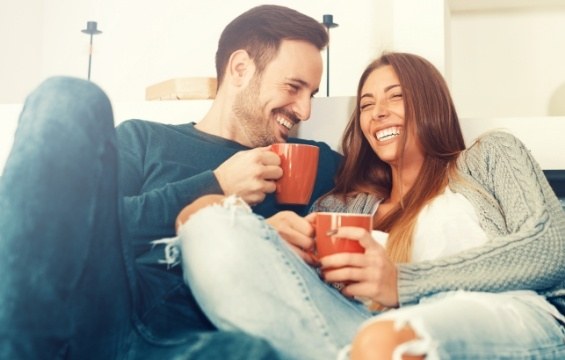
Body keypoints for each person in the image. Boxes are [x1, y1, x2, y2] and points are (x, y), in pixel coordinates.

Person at [172, 52, 565, 360]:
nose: (378, 112)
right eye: (366, 105)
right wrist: (275, 239)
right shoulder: (342, 206)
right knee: (205, 217)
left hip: (505, 317)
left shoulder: (489, 157)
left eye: (396, 96)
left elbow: (551, 247)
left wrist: (402, 283)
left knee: (386, 343)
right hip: (362, 332)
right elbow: (303, 293)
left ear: (431, 103)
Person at [0, 5, 341, 359]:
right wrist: (215, 185)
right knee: (68, 98)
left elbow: (395, 176)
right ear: (240, 69)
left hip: (197, 342)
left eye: (311, 94)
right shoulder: (144, 140)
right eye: (293, 87)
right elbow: (72, 232)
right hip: (104, 315)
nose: (304, 111)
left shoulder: (308, 160)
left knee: (251, 353)